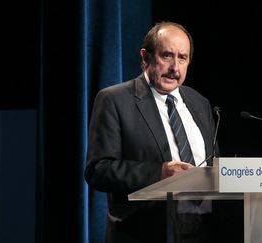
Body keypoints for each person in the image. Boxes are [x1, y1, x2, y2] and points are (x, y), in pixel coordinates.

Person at [85, 21, 222, 243]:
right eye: (167, 56)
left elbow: (214, 167)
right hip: (144, 231)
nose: (175, 68)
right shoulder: (115, 100)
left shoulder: (200, 103)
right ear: (146, 57)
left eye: (182, 58)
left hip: (201, 231)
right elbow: (98, 170)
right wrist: (159, 173)